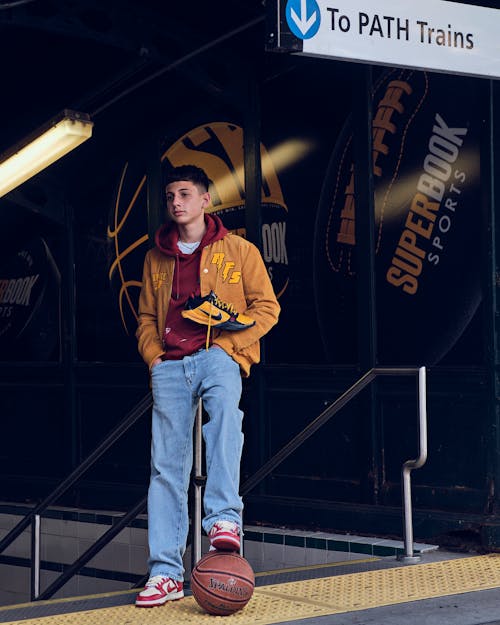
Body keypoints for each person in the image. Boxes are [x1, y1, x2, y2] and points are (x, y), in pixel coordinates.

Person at [135, 164, 280, 607]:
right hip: (171, 366)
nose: (175, 202)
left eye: (184, 194)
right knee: (166, 467)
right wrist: (154, 356)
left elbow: (267, 307)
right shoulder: (156, 255)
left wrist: (229, 348)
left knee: (224, 428)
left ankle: (222, 520)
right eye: (170, 196)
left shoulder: (239, 250)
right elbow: (145, 316)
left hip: (218, 357)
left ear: (205, 200)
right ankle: (164, 573)